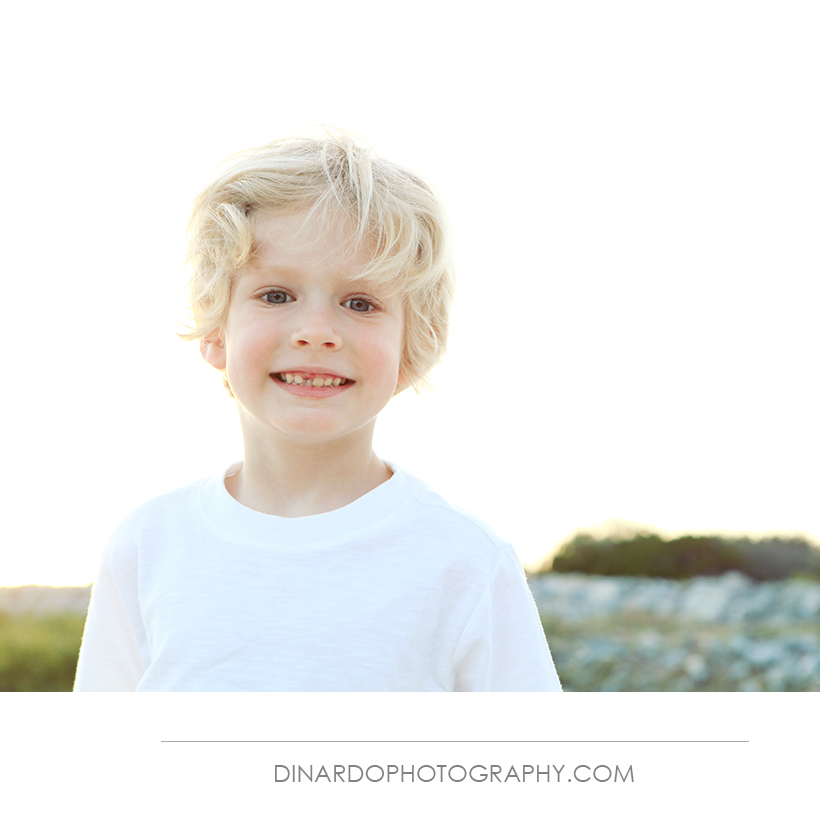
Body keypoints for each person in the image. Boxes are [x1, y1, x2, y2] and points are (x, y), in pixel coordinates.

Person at [73, 128, 562, 691]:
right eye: (276, 295)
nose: (316, 332)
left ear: (413, 346)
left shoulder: (465, 563)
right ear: (215, 329)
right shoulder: (147, 546)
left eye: (360, 302)